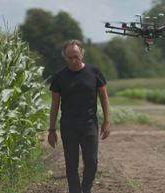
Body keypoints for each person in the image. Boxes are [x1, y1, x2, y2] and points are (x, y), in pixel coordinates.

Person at [48, 39, 110, 193]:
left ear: (82, 54)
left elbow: (104, 97)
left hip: (89, 124)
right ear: (64, 56)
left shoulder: (94, 72)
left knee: (91, 162)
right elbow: (54, 105)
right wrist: (51, 130)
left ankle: (86, 189)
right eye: (70, 57)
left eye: (76, 56)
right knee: (71, 164)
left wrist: (107, 121)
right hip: (68, 125)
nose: (74, 60)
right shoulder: (59, 77)